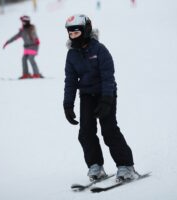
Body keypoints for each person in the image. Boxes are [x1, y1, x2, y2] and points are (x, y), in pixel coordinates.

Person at [63, 14, 140, 182]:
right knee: (85, 132)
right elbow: (70, 81)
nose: (73, 37)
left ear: (86, 30)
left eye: (76, 33)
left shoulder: (99, 50)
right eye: (71, 34)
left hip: (106, 93)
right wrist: (68, 105)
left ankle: (126, 166)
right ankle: (95, 166)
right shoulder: (72, 55)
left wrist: (106, 99)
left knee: (109, 130)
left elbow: (108, 77)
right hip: (86, 96)